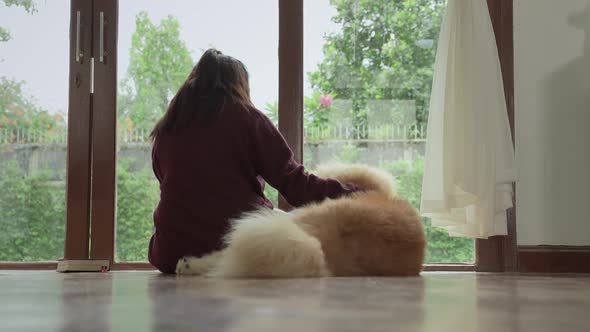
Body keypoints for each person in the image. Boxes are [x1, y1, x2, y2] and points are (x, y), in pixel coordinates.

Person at [148, 49, 359, 273]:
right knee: (297, 228)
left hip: (170, 253)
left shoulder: (166, 129)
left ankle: (197, 264)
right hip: (237, 246)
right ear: (238, 85)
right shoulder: (248, 118)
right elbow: (295, 185)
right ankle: (217, 262)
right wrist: (353, 193)